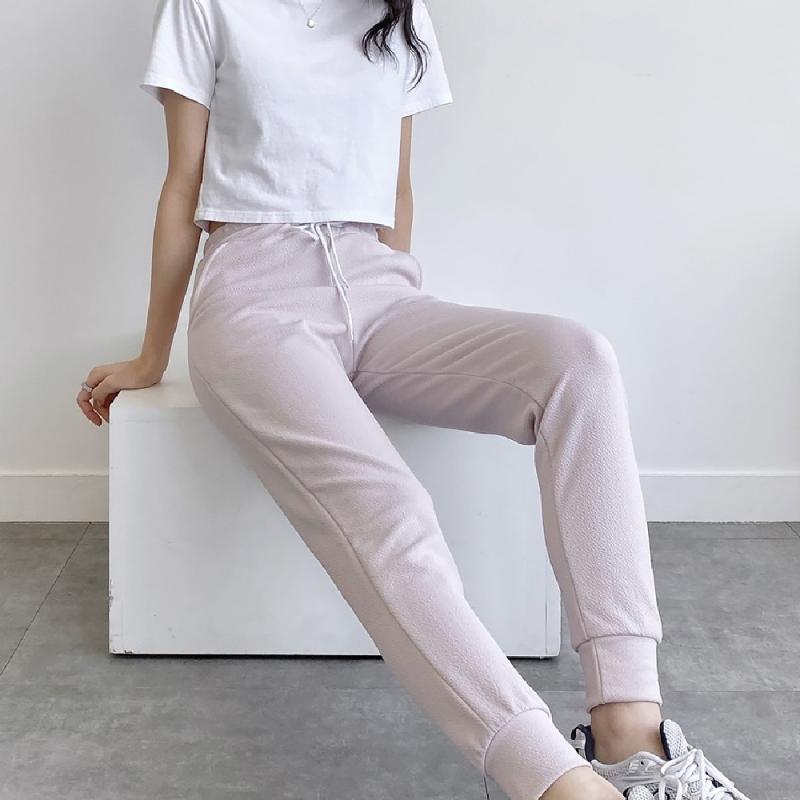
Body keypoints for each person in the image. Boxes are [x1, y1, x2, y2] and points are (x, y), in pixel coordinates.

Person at [76, 2, 751, 798]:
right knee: (390, 506)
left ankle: (632, 734)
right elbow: (183, 185)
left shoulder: (397, 13)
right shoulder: (208, 5)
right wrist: (155, 353)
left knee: (579, 363)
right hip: (251, 298)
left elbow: (395, 189)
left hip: (378, 288)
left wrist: (394, 322)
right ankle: (558, 784)